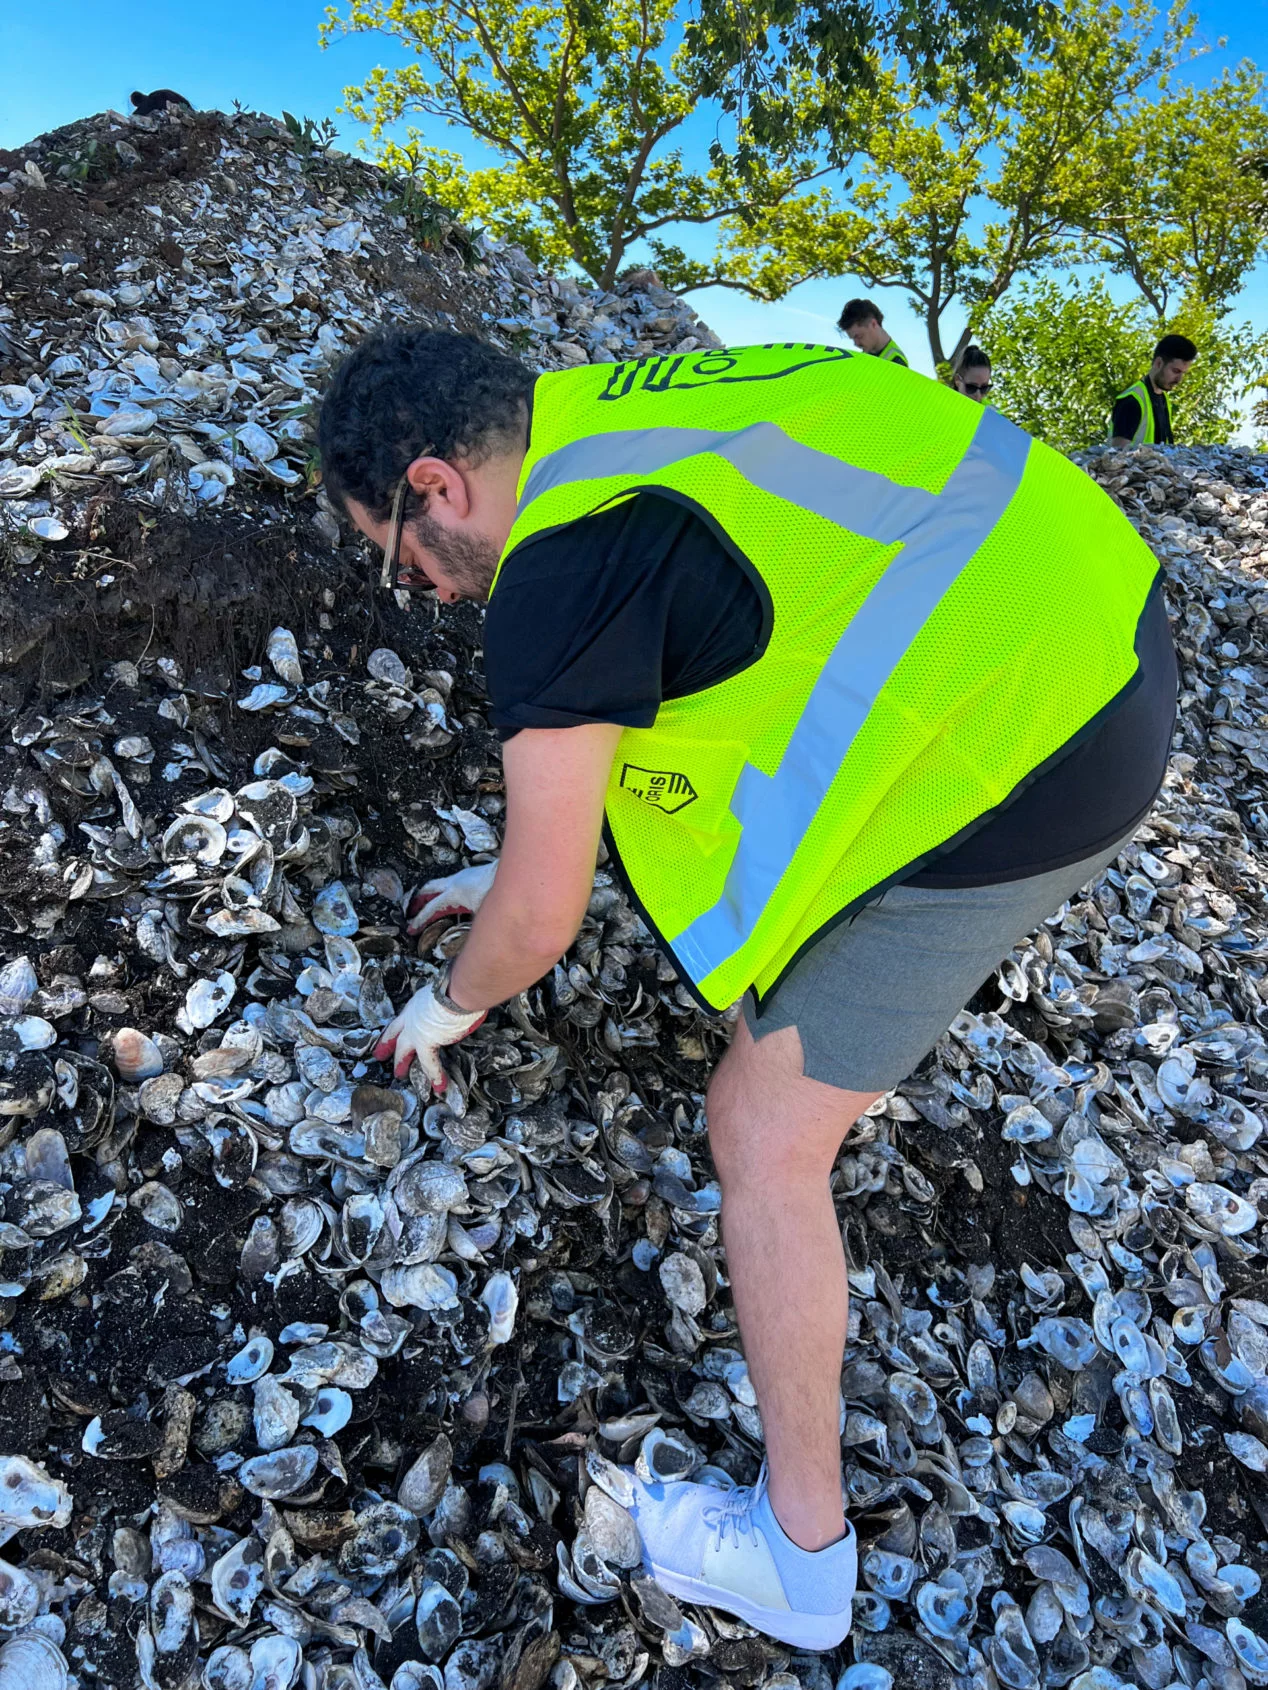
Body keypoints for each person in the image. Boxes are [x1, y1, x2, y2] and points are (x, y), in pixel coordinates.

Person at [317, 330, 1177, 1651]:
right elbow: (716, 637)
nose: (425, 591)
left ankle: (799, 1558)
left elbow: (538, 924)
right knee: (767, 994)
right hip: (1088, 601)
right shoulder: (613, 411)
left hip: (1048, 735)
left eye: (401, 556)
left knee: (762, 1132)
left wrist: (449, 999)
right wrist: (519, 855)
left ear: (438, 485)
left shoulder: (557, 566)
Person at [1110, 333, 1197, 447]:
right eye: (1176, 371)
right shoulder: (1132, 400)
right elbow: (1117, 456)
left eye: (1183, 373)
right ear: (1158, 363)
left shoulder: (1163, 398)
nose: (1179, 380)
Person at [836, 298, 908, 367]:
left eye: (858, 336)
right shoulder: (865, 354)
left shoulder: (897, 361)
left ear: (873, 324)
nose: (856, 343)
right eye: (853, 338)